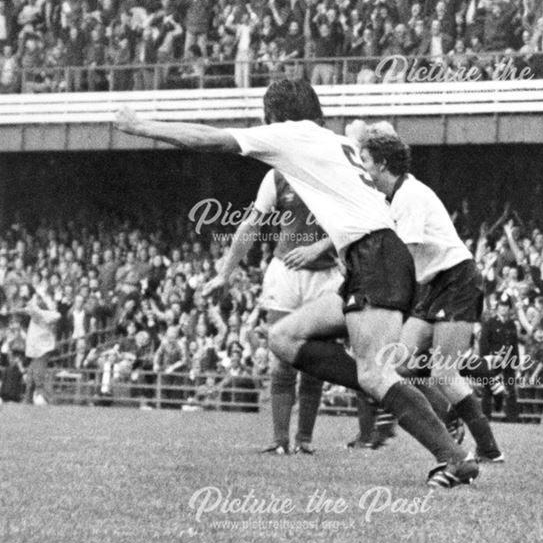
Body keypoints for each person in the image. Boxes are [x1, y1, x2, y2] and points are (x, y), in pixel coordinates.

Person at [114, 79, 477, 488]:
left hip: (375, 256)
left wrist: (140, 126)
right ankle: (393, 391)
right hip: (370, 259)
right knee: (284, 337)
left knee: (376, 374)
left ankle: (452, 456)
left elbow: (209, 139)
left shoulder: (291, 135)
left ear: (274, 116)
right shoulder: (334, 141)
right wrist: (225, 271)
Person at [359, 125, 504, 463]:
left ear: (381, 164)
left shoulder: (409, 196)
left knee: (443, 372)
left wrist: (378, 300)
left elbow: (403, 259)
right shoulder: (391, 196)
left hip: (457, 280)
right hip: (435, 284)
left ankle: (489, 448)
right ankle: (449, 418)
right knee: (397, 362)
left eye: (364, 161)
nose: (362, 169)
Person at [203, 169, 340, 455]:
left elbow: (357, 224)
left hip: (326, 274)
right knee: (282, 359)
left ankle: (304, 440)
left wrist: (320, 246)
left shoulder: (335, 168)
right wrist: (225, 273)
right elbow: (251, 225)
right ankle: (280, 440)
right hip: (285, 273)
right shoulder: (276, 176)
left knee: (317, 360)